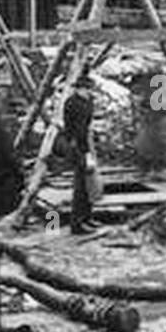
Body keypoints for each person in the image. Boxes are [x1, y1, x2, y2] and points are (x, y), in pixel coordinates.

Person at [63, 73, 97, 234]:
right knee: (81, 186)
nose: (89, 92)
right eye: (87, 89)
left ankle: (87, 217)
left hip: (87, 144)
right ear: (79, 89)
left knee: (90, 183)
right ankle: (77, 223)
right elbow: (78, 131)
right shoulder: (74, 104)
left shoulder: (87, 102)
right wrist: (86, 154)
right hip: (78, 146)